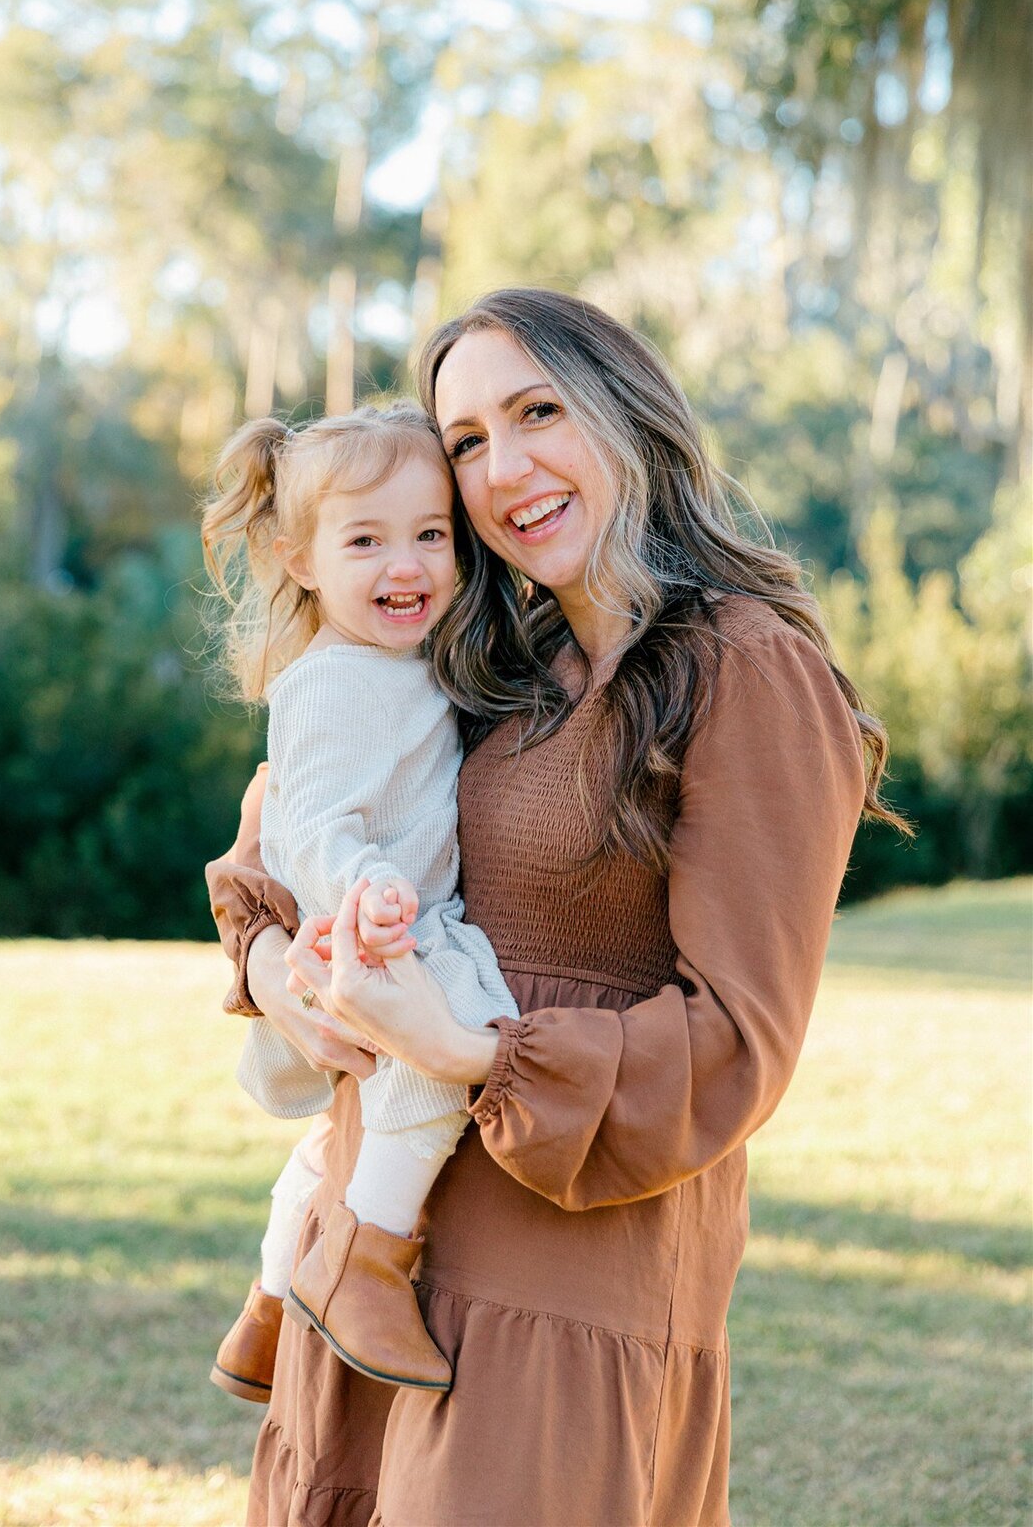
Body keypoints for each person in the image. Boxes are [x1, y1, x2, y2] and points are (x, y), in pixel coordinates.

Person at [207, 289, 907, 1527]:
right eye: (467, 440)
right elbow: (288, 833)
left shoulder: (744, 665)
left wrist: (468, 1049)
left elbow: (738, 1043)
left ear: (628, 416)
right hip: (383, 1261)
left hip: (566, 1281)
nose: (504, 466)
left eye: (537, 412)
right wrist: (278, 977)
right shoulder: (492, 666)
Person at [202, 402, 520, 1404]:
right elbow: (312, 823)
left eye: (431, 535)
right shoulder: (333, 684)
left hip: (380, 921)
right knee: (435, 1081)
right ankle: (368, 1264)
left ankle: (264, 1306)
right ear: (301, 560)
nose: (409, 565)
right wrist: (364, 887)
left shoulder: (404, 665)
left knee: (338, 1132)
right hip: (377, 927)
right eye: (368, 540)